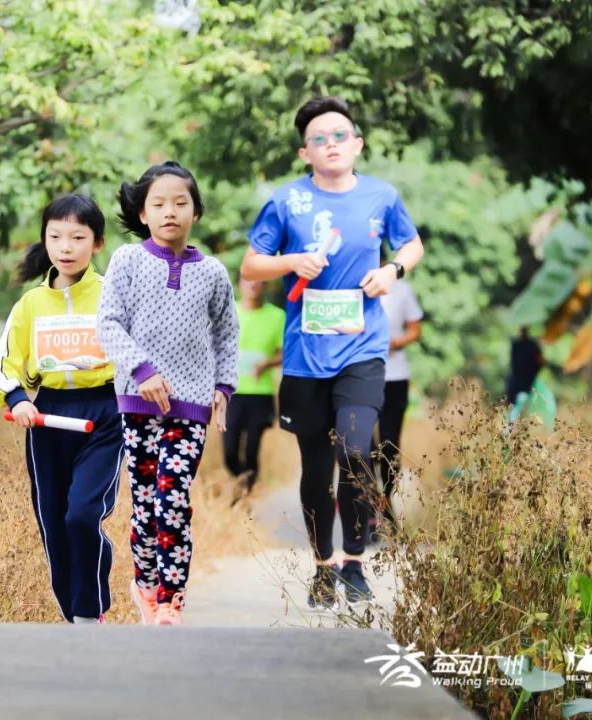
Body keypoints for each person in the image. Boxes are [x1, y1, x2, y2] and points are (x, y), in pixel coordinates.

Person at [240, 96, 424, 612]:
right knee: (316, 465)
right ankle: (322, 568)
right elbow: (252, 266)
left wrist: (392, 272)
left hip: (363, 349)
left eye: (340, 135)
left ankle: (355, 562)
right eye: (320, 139)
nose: (331, 144)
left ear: (358, 144)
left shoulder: (381, 196)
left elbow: (411, 246)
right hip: (304, 358)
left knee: (356, 450)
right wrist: (292, 261)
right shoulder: (286, 201)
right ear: (305, 152)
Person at [97, 161, 239, 626]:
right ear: (142, 213)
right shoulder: (127, 260)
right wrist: (141, 369)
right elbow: (108, 323)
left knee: (171, 497)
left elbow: (227, 335)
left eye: (181, 202)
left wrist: (223, 387)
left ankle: (170, 599)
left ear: (196, 212)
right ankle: (145, 582)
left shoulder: (215, 273)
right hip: (136, 403)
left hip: (191, 405)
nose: (170, 211)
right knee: (143, 500)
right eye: (158, 203)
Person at [0, 193, 123, 625]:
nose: (66, 247)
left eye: (78, 237)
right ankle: (73, 616)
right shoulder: (29, 305)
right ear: (44, 240)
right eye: (56, 236)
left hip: (104, 415)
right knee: (54, 525)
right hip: (47, 420)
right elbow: (3, 361)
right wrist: (17, 398)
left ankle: (90, 610)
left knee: (83, 514)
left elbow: (138, 353)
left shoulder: (113, 295)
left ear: (97, 243)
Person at [223, 276, 285, 498]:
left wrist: (267, 364)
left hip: (261, 392)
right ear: (240, 284)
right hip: (231, 392)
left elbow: (284, 352)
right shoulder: (229, 312)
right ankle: (243, 482)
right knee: (229, 451)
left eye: (258, 281)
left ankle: (244, 496)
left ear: (265, 285)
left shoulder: (278, 316)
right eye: (248, 281)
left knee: (252, 448)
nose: (253, 285)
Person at [372, 278, 424, 541]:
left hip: (394, 376)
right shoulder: (350, 283)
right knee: (363, 448)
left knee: (389, 445)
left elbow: (416, 329)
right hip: (360, 376)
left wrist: (396, 343)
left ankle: (388, 501)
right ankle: (370, 510)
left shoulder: (402, 289)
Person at [506, 326, 544, 405]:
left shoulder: (533, 345)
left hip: (527, 380)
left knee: (525, 402)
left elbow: (540, 361)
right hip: (517, 379)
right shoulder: (516, 344)